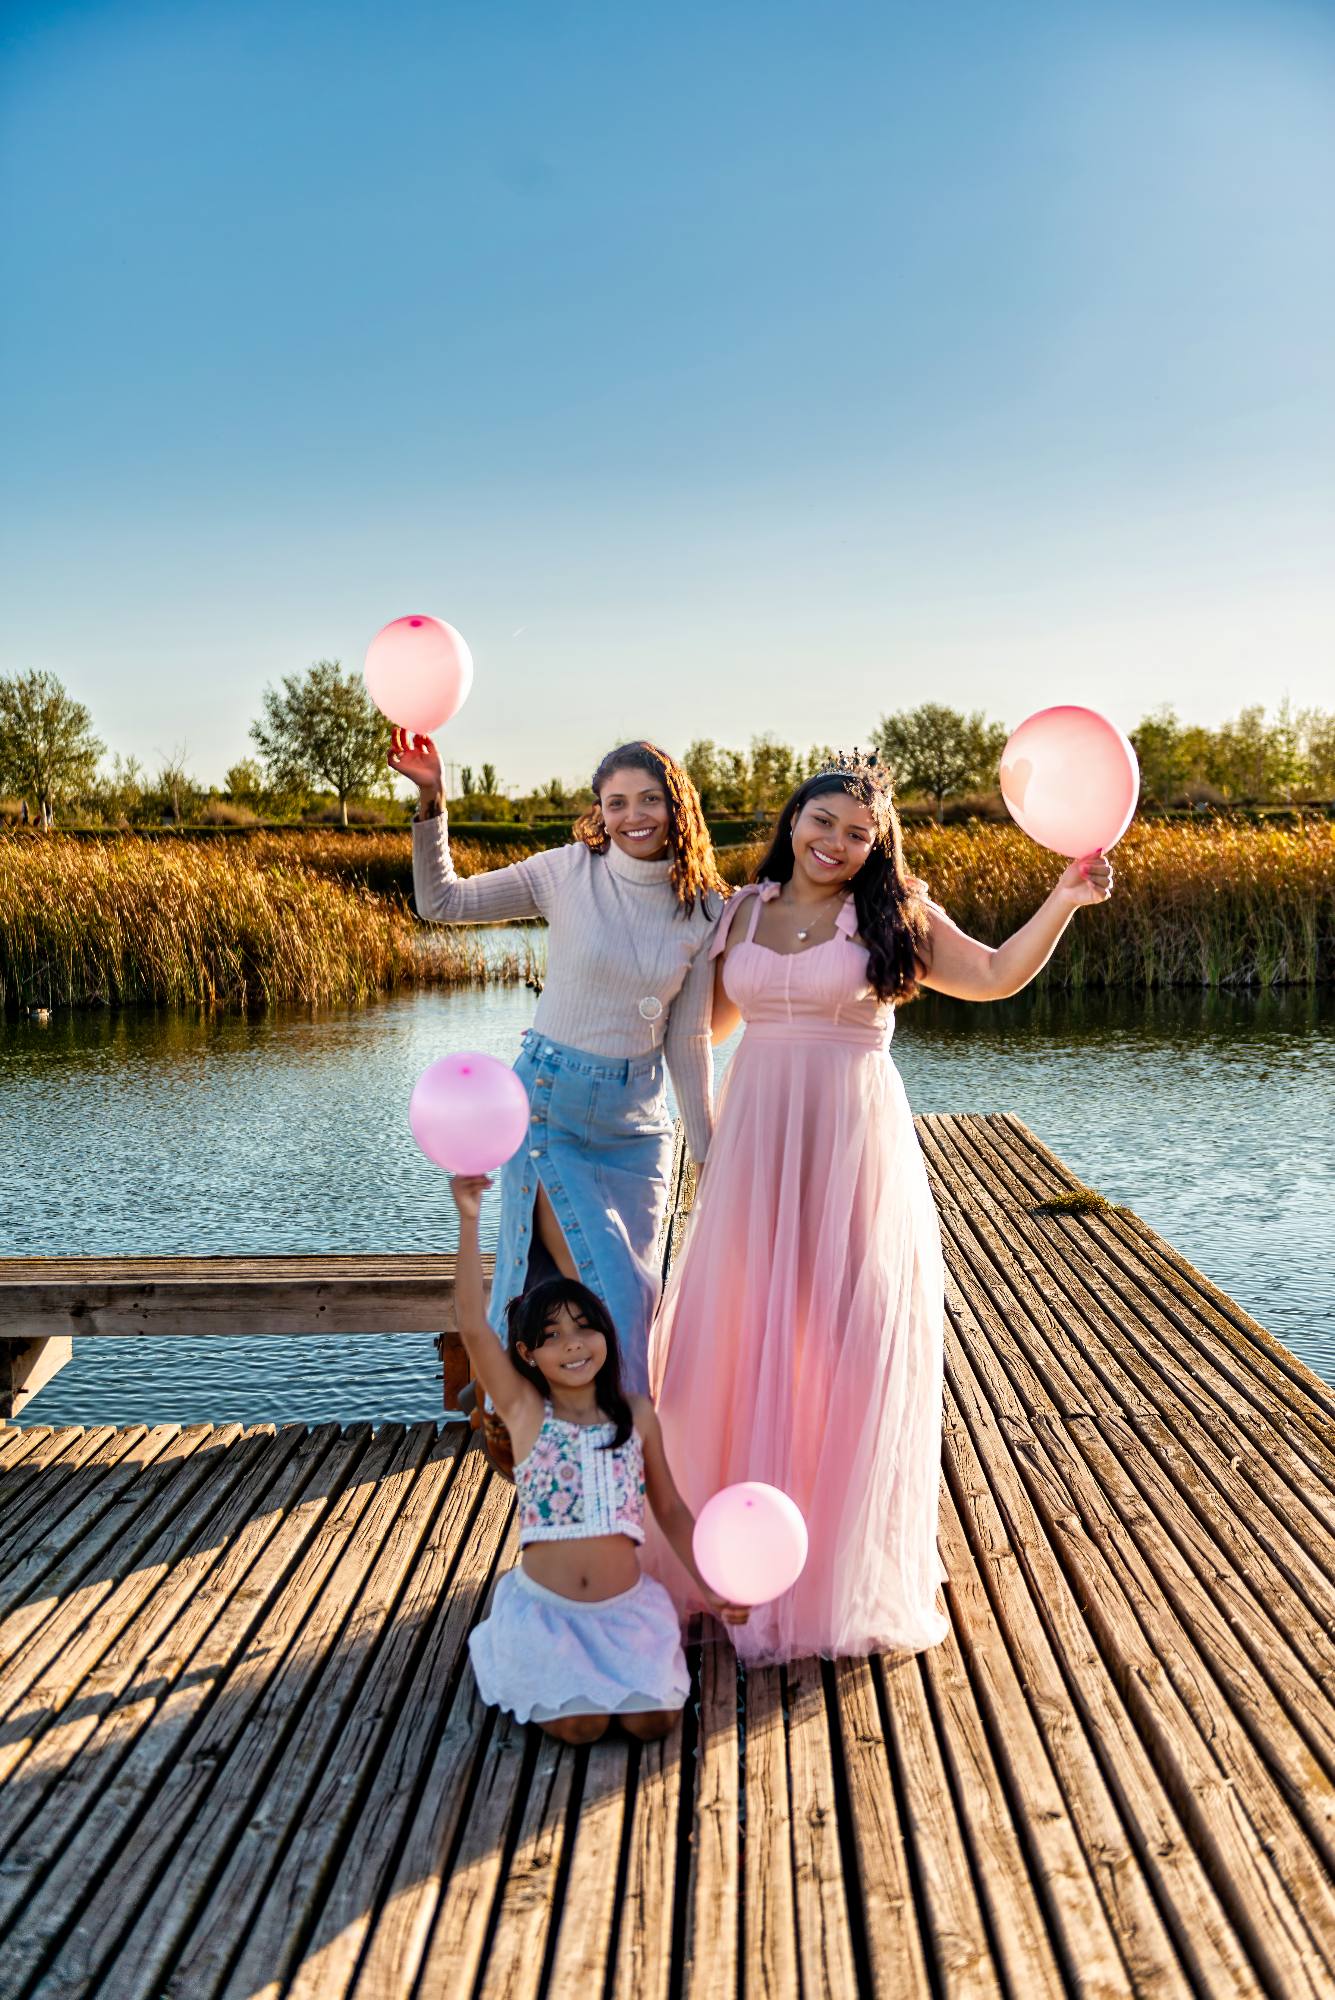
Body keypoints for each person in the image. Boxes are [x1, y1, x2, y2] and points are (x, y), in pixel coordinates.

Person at [643, 750, 1114, 1665]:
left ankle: (829, 1564)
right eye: (822, 823)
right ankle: (721, 1552)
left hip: (851, 1146)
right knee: (736, 1332)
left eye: (859, 834)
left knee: (841, 1339)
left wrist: (1062, 898)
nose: (837, 844)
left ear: (876, 844)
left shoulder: (889, 916)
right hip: (752, 1148)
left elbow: (992, 977)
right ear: (792, 821)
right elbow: (700, 1032)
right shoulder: (740, 913)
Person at [387, 733, 725, 1402]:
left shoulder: (705, 904)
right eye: (617, 803)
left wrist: (708, 1157)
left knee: (637, 1291)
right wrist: (431, 800)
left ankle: (595, 1436)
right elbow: (442, 903)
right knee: (611, 1293)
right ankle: (618, 1446)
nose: (635, 816)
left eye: (650, 800)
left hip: (638, 1127)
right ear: (599, 812)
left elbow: (686, 1040)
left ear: (677, 806)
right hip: (552, 1107)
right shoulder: (566, 872)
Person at [449, 1173, 747, 1741]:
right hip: (549, 1617)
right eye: (554, 1337)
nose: (573, 1345)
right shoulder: (525, 1412)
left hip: (625, 1614)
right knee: (582, 1725)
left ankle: (625, 1670)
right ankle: (538, 1665)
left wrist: (710, 1582)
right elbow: (470, 1325)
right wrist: (469, 1217)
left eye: (585, 1330)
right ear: (528, 1354)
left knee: (653, 1722)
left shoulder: (636, 1416)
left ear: (607, 1338)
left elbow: (671, 1509)